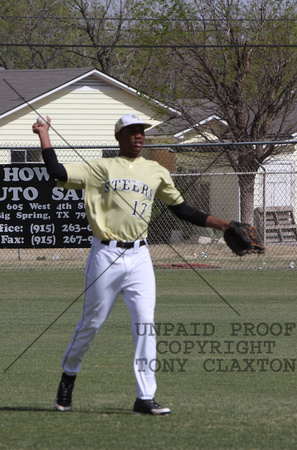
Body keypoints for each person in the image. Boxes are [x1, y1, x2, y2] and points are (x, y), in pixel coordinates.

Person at [33, 113, 231, 415]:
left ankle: (144, 397)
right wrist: (44, 134)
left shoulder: (155, 170)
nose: (139, 136)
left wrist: (224, 225)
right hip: (105, 255)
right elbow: (56, 171)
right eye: (132, 131)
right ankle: (68, 376)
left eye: (141, 131)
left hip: (140, 256)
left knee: (145, 325)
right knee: (91, 324)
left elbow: (183, 210)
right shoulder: (99, 167)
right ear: (119, 137)